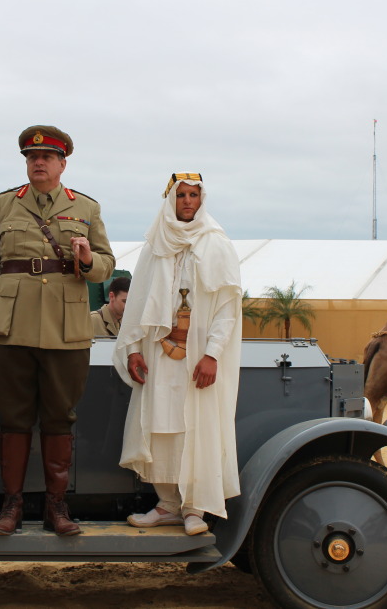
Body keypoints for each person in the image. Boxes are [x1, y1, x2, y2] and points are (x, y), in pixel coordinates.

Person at [0, 125, 115, 536]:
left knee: (59, 418)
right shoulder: (3, 205)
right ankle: (11, 506)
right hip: (11, 327)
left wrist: (87, 261)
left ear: (62, 163)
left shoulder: (85, 208)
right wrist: (12, 287)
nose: (38, 162)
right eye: (32, 157)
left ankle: (56, 507)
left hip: (65, 329)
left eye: (47, 157)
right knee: (12, 417)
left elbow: (106, 264)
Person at [113, 173, 242, 536]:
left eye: (194, 195)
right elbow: (137, 305)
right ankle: (168, 504)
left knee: (196, 429)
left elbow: (227, 307)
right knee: (161, 428)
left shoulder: (216, 243)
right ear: (170, 200)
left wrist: (213, 353)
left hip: (198, 356)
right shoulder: (155, 245)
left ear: (203, 199)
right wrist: (134, 351)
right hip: (159, 355)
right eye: (181, 195)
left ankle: (194, 509)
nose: (188, 201)